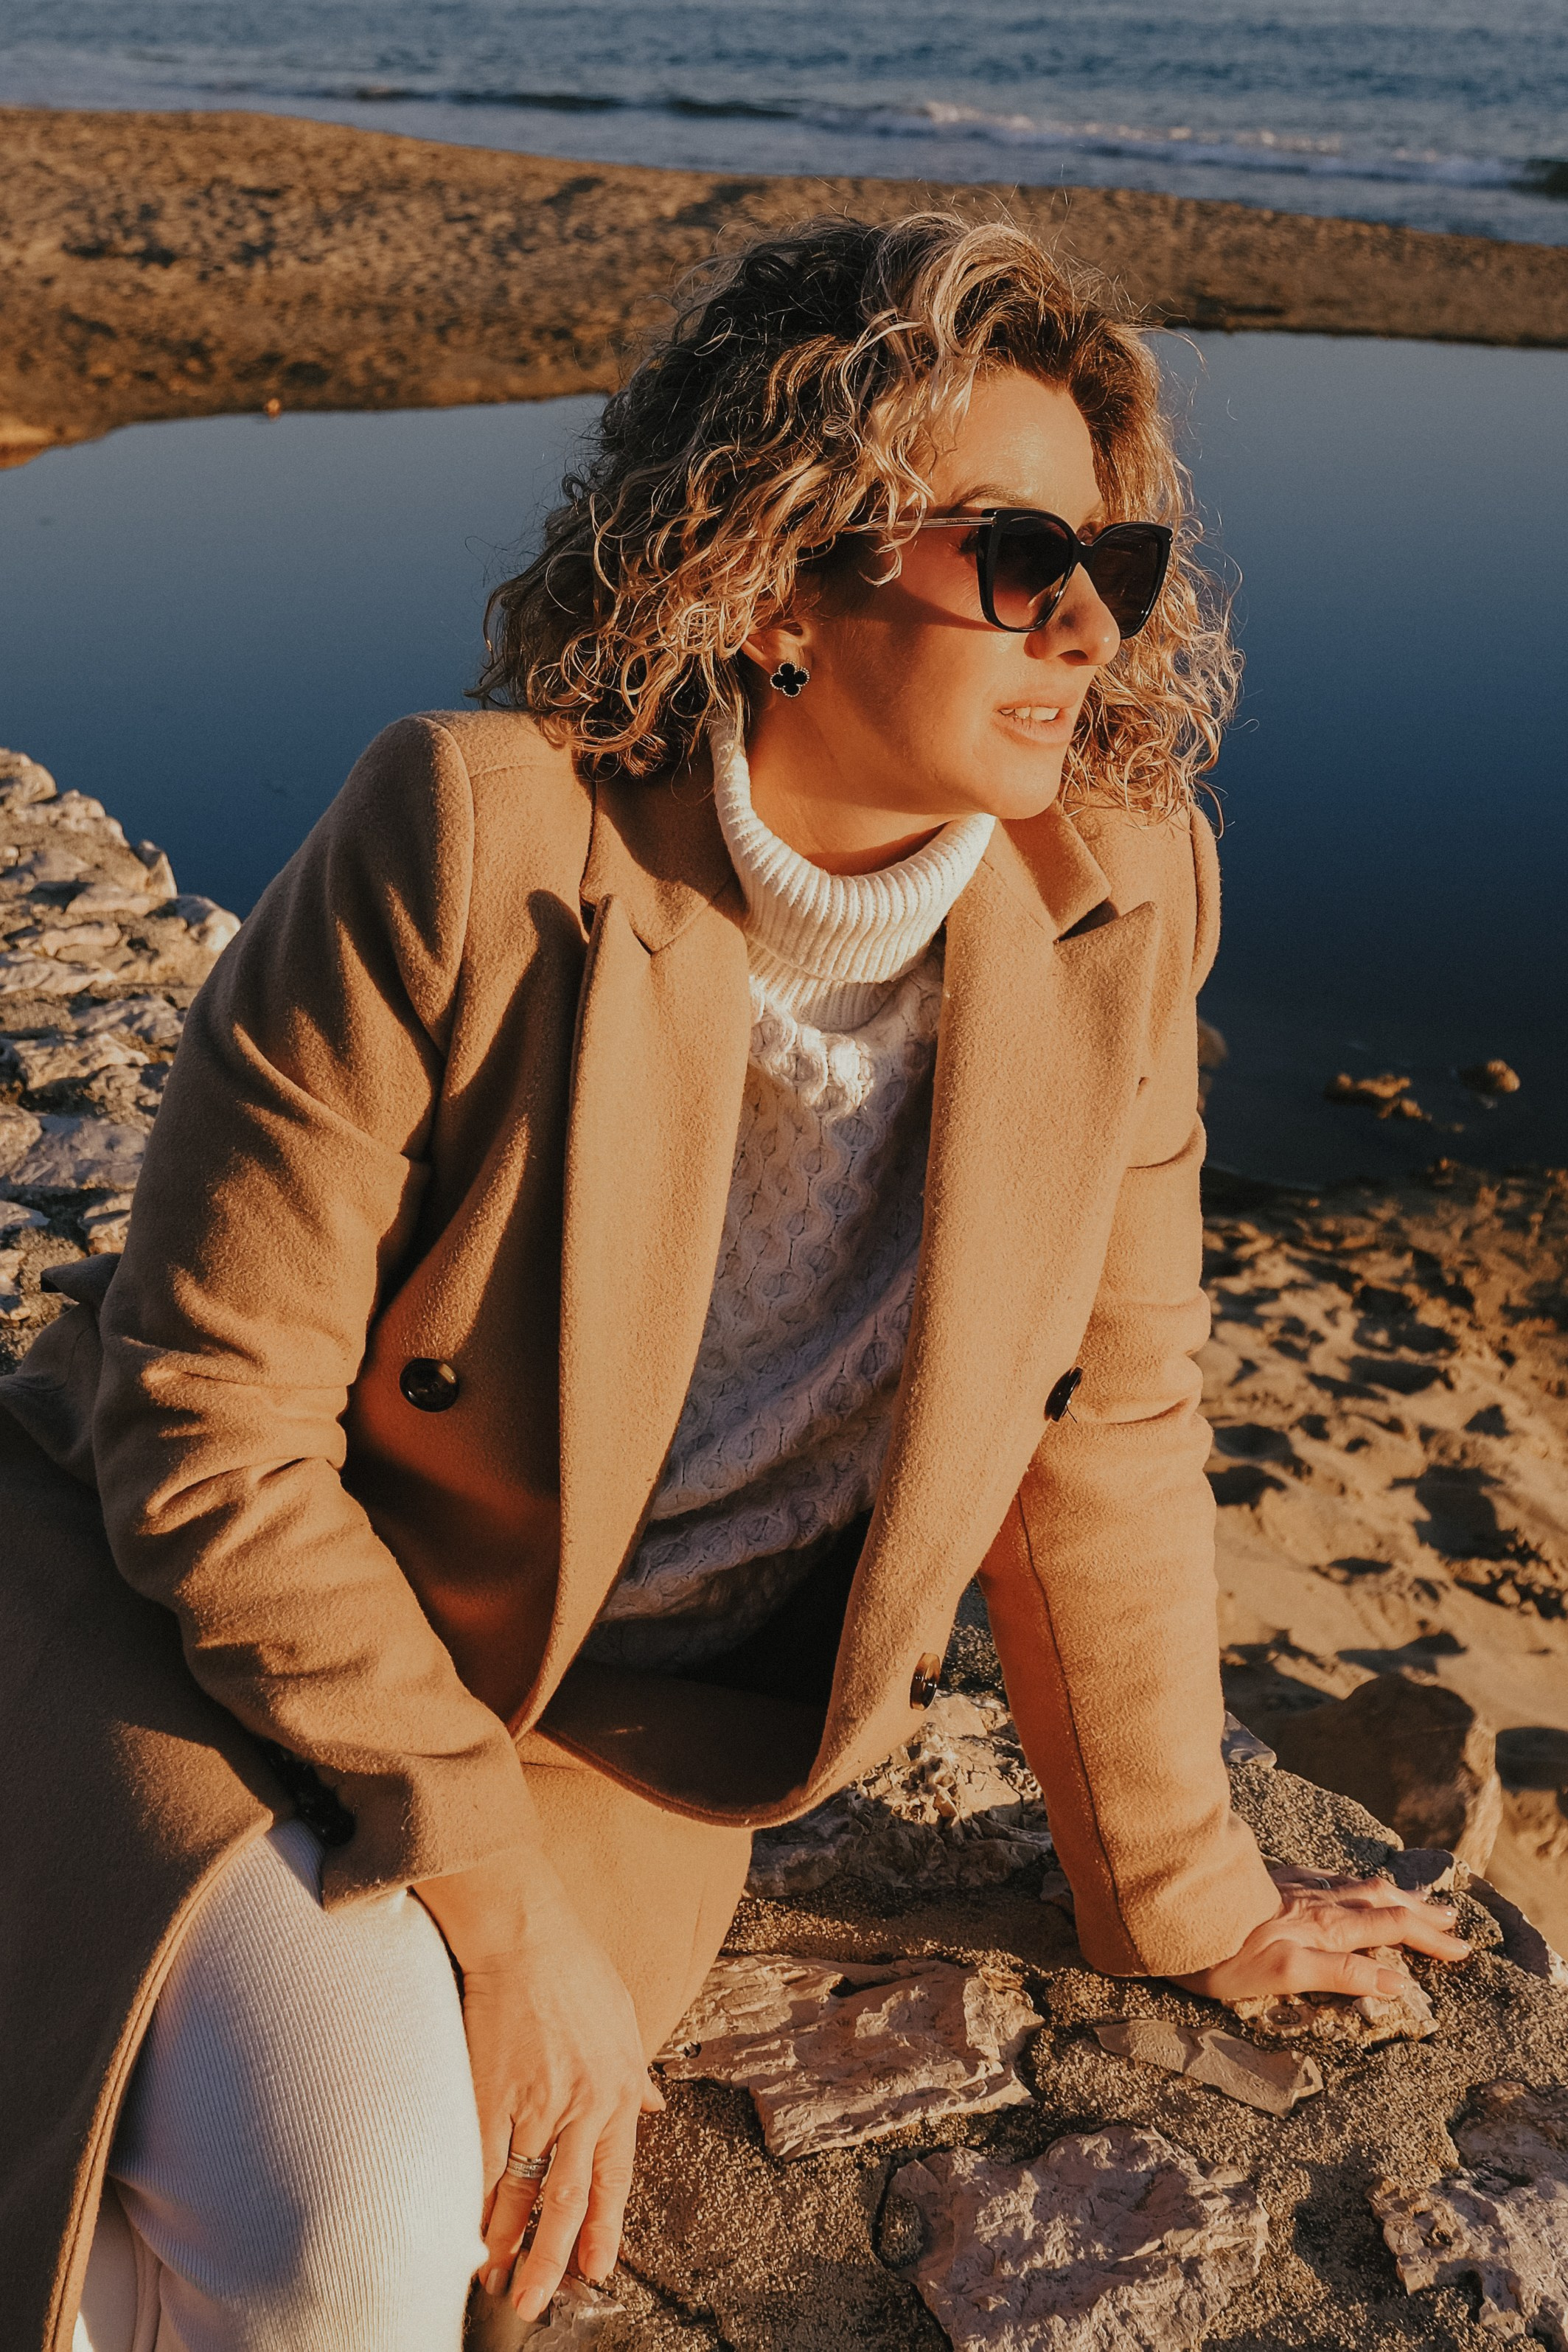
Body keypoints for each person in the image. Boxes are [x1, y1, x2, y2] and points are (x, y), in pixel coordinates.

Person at [1, 212, 1469, 2352]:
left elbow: (1113, 1417)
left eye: (1115, 570)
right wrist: (490, 1902)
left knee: (443, 2248)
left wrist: (1183, 1896)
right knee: (339, 2227)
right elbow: (206, 1427)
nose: (1087, 624)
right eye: (1015, 555)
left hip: (621, 1728)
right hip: (211, 1640)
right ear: (775, 570)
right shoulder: (473, 842)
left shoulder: (1121, 904)